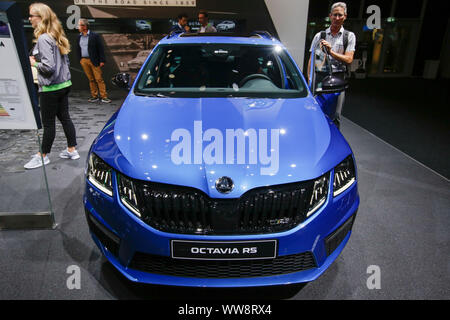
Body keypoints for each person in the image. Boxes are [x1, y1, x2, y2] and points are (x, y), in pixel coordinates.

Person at [25, 3, 79, 169]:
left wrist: (34, 63)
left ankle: (42, 156)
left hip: (51, 88)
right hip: (64, 85)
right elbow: (65, 62)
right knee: (65, 118)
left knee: (48, 124)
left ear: (41, 18)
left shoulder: (43, 38)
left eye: (32, 15)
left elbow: (48, 67)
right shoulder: (56, 35)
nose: (29, 18)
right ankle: (72, 150)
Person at [307, 2, 356, 129]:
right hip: (320, 78)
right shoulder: (320, 35)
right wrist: (309, 81)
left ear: (345, 16)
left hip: (338, 79)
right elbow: (311, 60)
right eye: (335, 15)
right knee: (317, 112)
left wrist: (331, 52)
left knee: (335, 116)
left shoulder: (349, 36)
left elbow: (349, 59)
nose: (337, 18)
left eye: (340, 15)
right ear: (330, 16)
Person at [76, 18, 111, 103]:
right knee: (91, 79)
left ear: (84, 26)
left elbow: (100, 49)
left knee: (99, 79)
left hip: (94, 60)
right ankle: (94, 96)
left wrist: (102, 60)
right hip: (84, 60)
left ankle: (104, 96)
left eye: (79, 25)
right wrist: (80, 60)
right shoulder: (79, 36)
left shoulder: (94, 36)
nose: (78, 27)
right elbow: (78, 49)